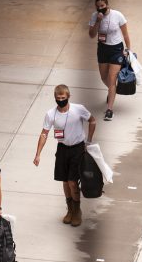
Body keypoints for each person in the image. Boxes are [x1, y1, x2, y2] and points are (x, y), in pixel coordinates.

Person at [33, 84, 96, 227]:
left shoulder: (78, 109)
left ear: (68, 97)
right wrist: (38, 154)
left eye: (63, 98)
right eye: (58, 98)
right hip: (62, 148)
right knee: (64, 181)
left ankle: (77, 210)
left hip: (77, 148)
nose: (60, 100)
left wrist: (89, 141)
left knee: (73, 181)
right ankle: (70, 209)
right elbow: (44, 133)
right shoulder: (51, 114)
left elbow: (92, 120)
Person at [88, 0, 131, 121]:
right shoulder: (95, 16)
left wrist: (128, 49)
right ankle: (112, 91)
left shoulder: (118, 15)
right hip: (102, 49)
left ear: (107, 4)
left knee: (112, 80)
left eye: (102, 6)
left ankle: (109, 109)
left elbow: (126, 34)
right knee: (103, 77)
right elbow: (91, 34)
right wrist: (98, 21)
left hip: (116, 49)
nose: (100, 8)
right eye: (98, 7)